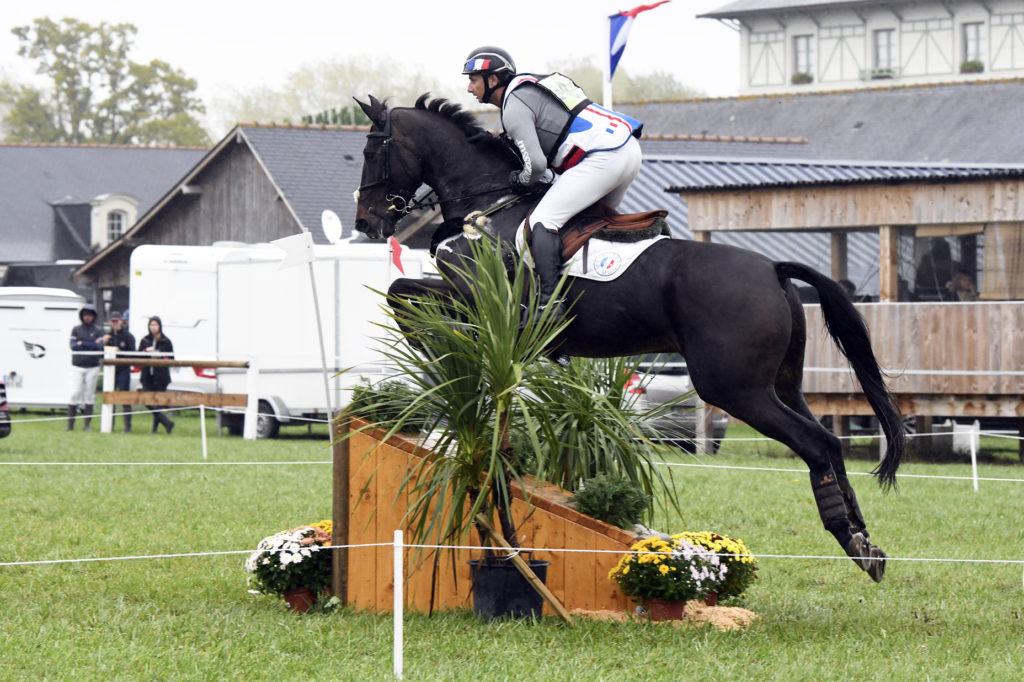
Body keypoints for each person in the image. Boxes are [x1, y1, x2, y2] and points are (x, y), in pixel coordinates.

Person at [462, 46, 644, 327]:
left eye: (474, 79)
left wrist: (519, 181)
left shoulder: (513, 106)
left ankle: (549, 305)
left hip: (602, 157)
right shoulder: (533, 83)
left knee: (541, 222)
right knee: (586, 223)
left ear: (493, 80)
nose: (469, 88)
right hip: (627, 148)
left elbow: (535, 167)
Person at [68, 302, 104, 430]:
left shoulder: (99, 330)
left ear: (94, 316)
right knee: (74, 393)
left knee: (89, 395)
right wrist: (90, 344)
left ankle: (86, 425)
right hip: (77, 365)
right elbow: (73, 346)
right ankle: (70, 425)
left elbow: (99, 346)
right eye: (85, 315)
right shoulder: (76, 329)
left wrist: (82, 343)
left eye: (89, 315)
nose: (87, 317)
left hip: (92, 366)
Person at [138, 316, 175, 434]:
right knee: (147, 399)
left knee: (157, 402)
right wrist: (146, 352)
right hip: (147, 375)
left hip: (161, 376)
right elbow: (137, 355)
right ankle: (166, 422)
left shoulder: (166, 341)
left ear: (160, 326)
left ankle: (155, 428)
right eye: (151, 325)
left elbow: (171, 358)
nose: (153, 327)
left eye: (156, 325)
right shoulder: (145, 340)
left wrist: (161, 356)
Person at [104, 311, 136, 432]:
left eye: (117, 321)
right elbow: (100, 353)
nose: (115, 323)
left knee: (124, 398)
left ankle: (127, 426)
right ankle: (109, 424)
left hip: (123, 370)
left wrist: (120, 351)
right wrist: (103, 343)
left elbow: (133, 355)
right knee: (110, 398)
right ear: (110, 322)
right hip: (111, 371)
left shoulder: (128, 336)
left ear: (121, 321)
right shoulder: (107, 336)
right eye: (113, 321)